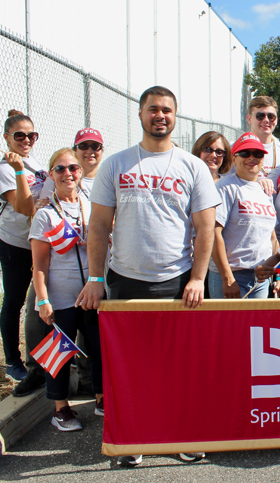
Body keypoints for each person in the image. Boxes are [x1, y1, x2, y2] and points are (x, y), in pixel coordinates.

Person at [77, 86, 220, 465]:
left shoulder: (193, 168)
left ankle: (184, 435)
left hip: (178, 280)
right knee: (132, 366)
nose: (160, 116)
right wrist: (94, 279)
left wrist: (197, 278)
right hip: (125, 280)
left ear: (175, 116)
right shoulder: (116, 164)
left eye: (167, 110)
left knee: (181, 365)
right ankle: (134, 439)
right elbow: (98, 226)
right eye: (153, 109)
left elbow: (206, 228)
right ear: (140, 114)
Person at [29, 148, 103, 431]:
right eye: (60, 169)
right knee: (60, 354)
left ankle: (101, 399)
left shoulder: (91, 205)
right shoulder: (45, 214)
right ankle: (61, 409)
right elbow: (38, 267)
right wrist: (43, 300)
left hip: (92, 295)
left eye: (72, 168)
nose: (68, 174)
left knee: (99, 349)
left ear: (80, 172)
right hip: (60, 298)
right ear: (51, 175)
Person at [0, 110, 49, 385]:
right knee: (14, 300)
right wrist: (17, 170)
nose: (26, 140)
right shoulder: (5, 168)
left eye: (31, 135)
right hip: (14, 242)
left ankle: (45, 357)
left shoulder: (33, 161)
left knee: (43, 300)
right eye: (19, 136)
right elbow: (24, 207)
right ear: (7, 138)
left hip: (38, 240)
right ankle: (12, 361)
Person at [209, 133, 280, 299]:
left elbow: (272, 237)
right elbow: (213, 234)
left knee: (257, 326)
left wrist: (276, 273)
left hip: (260, 279)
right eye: (245, 153)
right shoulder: (225, 187)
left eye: (258, 154)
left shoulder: (265, 192)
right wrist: (228, 278)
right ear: (234, 159)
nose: (251, 158)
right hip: (231, 276)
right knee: (228, 326)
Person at [246, 96, 280, 181]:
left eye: (271, 116)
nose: (266, 120)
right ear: (249, 119)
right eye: (260, 116)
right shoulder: (236, 150)